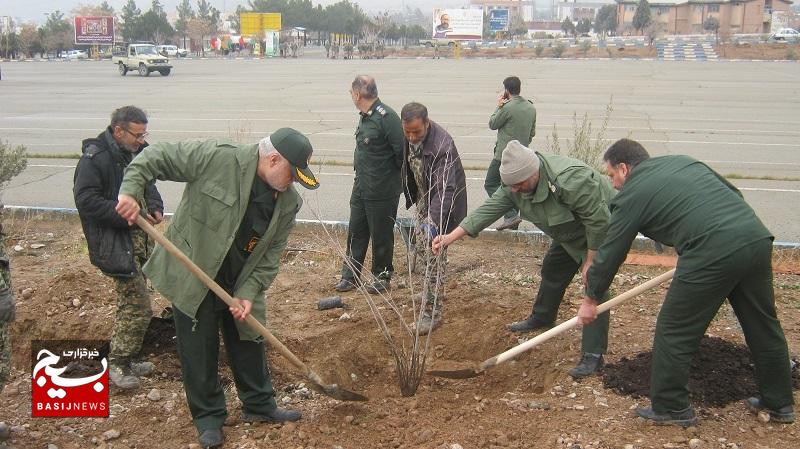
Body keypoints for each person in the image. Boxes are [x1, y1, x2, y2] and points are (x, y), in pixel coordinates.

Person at [115, 128, 320, 449]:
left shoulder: (288, 203)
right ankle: (209, 418)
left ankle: (259, 405)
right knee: (199, 349)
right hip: (193, 272)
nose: (293, 181)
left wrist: (249, 293)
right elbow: (156, 156)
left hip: (241, 280)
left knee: (250, 339)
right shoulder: (217, 157)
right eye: (292, 173)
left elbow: (270, 256)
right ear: (272, 158)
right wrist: (129, 192)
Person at [579, 138, 795, 426]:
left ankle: (670, 406)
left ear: (624, 168)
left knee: (674, 329)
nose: (614, 184)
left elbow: (612, 250)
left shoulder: (632, 193)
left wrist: (591, 297)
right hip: (754, 237)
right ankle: (779, 402)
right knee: (763, 325)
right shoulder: (683, 162)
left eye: (611, 176)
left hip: (712, 250)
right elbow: (732, 194)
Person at [433, 141, 615, 378]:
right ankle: (542, 316)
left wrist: (591, 260)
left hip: (598, 233)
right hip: (568, 233)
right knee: (553, 268)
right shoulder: (514, 185)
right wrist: (450, 237)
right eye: (512, 186)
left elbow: (599, 221)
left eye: (519, 184)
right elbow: (487, 210)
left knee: (595, 283)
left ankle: (593, 355)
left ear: (534, 172)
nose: (515, 190)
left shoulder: (570, 181)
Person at [73, 105, 164, 390]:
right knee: (137, 306)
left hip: (140, 242)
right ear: (118, 131)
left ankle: (128, 355)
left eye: (143, 134)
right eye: (136, 135)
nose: (141, 140)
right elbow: (86, 200)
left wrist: (156, 206)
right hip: (116, 243)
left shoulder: (136, 152)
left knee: (133, 303)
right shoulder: (95, 159)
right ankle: (118, 363)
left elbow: (147, 183)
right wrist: (124, 214)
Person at [400, 102, 467, 335]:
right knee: (420, 247)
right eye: (407, 131)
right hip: (424, 198)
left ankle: (432, 312)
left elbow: (446, 190)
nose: (411, 137)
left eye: (416, 132)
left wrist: (433, 222)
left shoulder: (442, 146)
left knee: (433, 252)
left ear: (427, 124)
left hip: (443, 205)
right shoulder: (408, 136)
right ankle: (432, 286)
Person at [335, 76, 404, 295]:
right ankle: (351, 275)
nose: (351, 96)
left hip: (382, 189)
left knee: (382, 234)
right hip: (362, 185)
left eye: (351, 92)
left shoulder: (387, 117)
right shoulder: (366, 117)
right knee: (356, 231)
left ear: (357, 94)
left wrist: (390, 182)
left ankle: (382, 276)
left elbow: (402, 153)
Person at [486, 76, 537, 231]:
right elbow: (532, 133)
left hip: (503, 155)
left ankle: (510, 214)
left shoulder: (507, 107)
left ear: (506, 90)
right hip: (523, 155)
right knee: (516, 187)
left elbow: (492, 124)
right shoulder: (530, 107)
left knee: (490, 183)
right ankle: (513, 221)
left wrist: (499, 106)